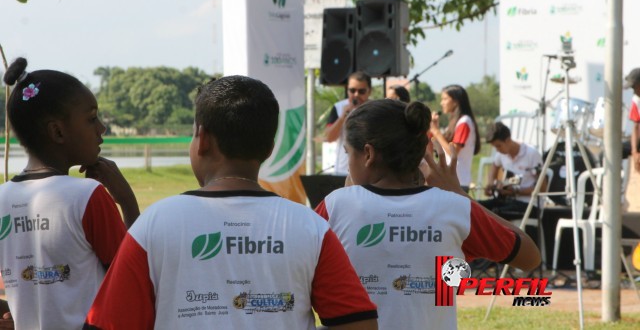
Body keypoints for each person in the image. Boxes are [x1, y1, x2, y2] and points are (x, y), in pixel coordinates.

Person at [84, 76, 378, 330]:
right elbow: (359, 323)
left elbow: (110, 322)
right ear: (269, 149)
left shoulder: (155, 223)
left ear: (203, 140)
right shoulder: (310, 226)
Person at [315, 99, 540, 330]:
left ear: (368, 154)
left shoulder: (336, 206)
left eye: (348, 153)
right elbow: (530, 257)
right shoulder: (454, 208)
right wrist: (460, 195)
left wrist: (348, 194)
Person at [0, 57, 140, 330]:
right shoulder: (87, 196)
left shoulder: (2, 197)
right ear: (57, 131)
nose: (101, 129)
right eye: (91, 119)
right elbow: (130, 279)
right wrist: (127, 202)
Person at [478, 122, 546, 218]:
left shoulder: (532, 154)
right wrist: (491, 183)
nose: (497, 150)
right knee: (477, 207)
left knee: (495, 214)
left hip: (529, 204)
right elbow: (494, 166)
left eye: (498, 146)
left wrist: (515, 191)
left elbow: (542, 189)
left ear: (508, 140)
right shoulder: (501, 154)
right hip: (507, 201)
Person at [429, 84, 480, 191]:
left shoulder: (464, 122)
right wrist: (435, 130)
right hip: (451, 180)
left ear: (456, 101)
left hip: (459, 182)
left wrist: (436, 132)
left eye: (445, 99)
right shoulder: (455, 123)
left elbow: (453, 153)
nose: (441, 103)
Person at [325, 71, 372, 175]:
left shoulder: (376, 109)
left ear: (369, 91)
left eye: (361, 91)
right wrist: (343, 117)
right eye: (352, 90)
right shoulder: (338, 107)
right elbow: (328, 138)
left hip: (368, 172)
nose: (356, 95)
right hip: (342, 171)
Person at [625, 68, 640, 172]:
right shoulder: (636, 100)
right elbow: (635, 127)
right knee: (607, 153)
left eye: (634, 87)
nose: (633, 91)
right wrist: (634, 152)